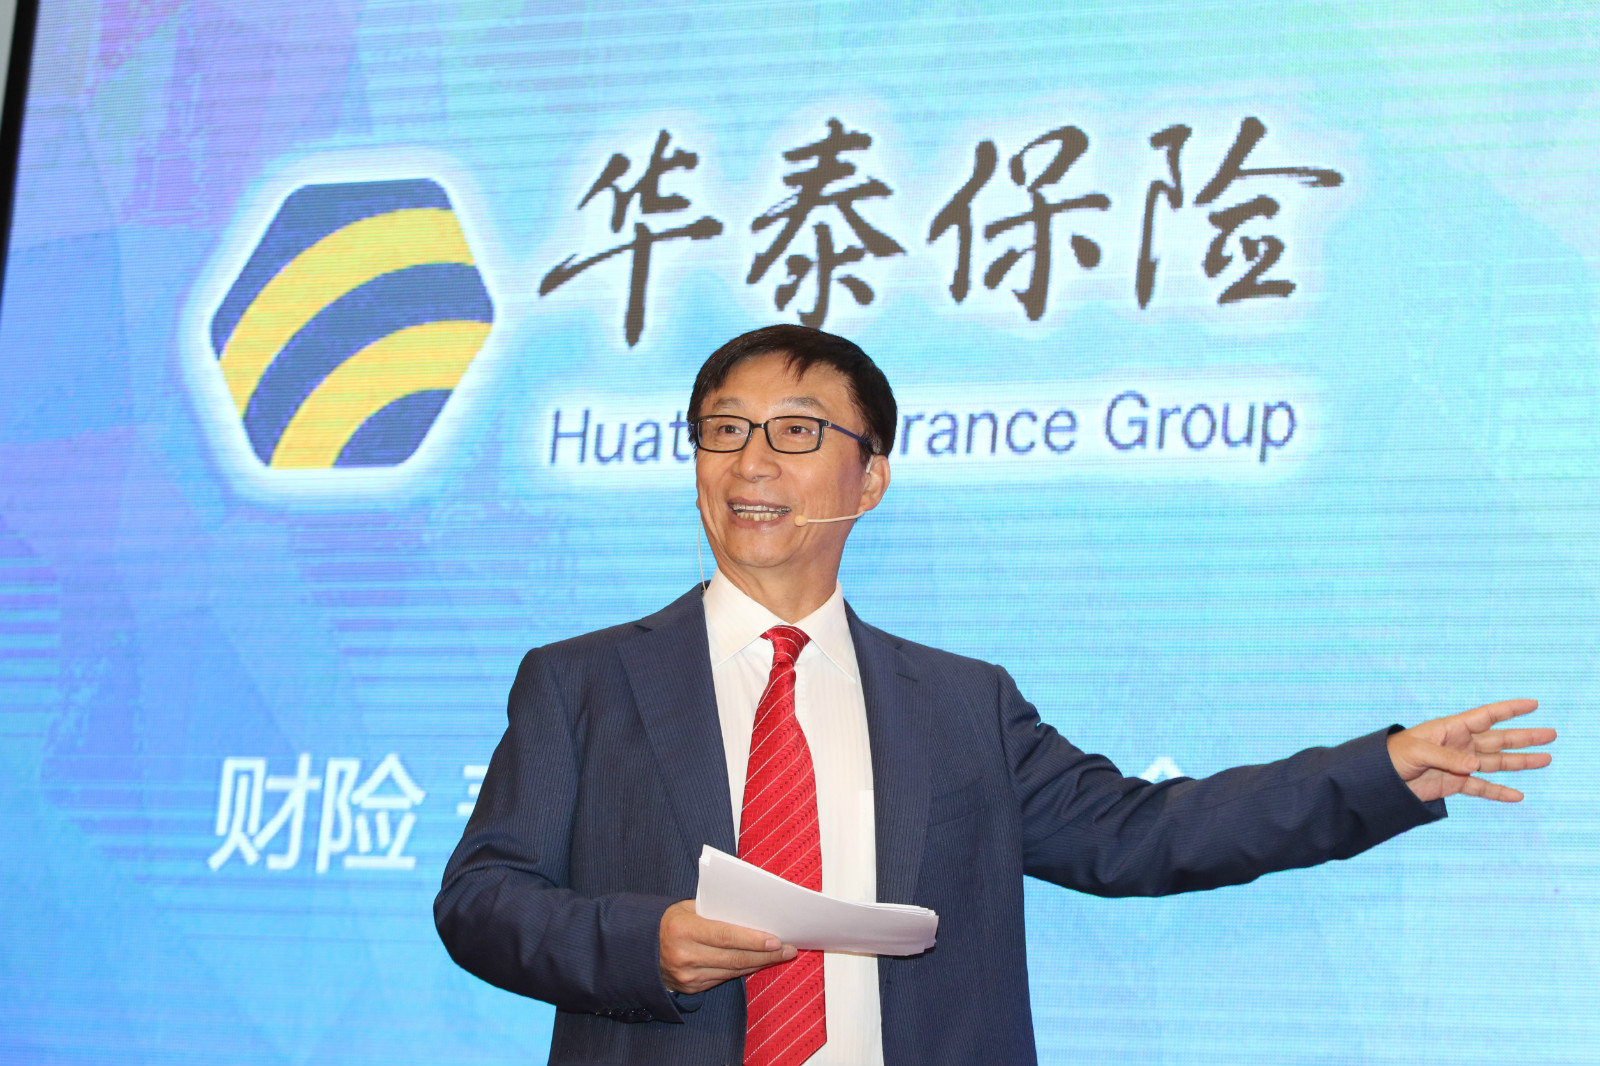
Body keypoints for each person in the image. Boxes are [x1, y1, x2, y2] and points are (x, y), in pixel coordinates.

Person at [435, 324, 1554, 1066]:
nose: (751, 462)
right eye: (724, 431)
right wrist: (644, 942)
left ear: (871, 477)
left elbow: (1142, 834)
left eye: (796, 433)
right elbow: (481, 899)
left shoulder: (960, 703)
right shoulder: (582, 681)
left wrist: (1380, 772)